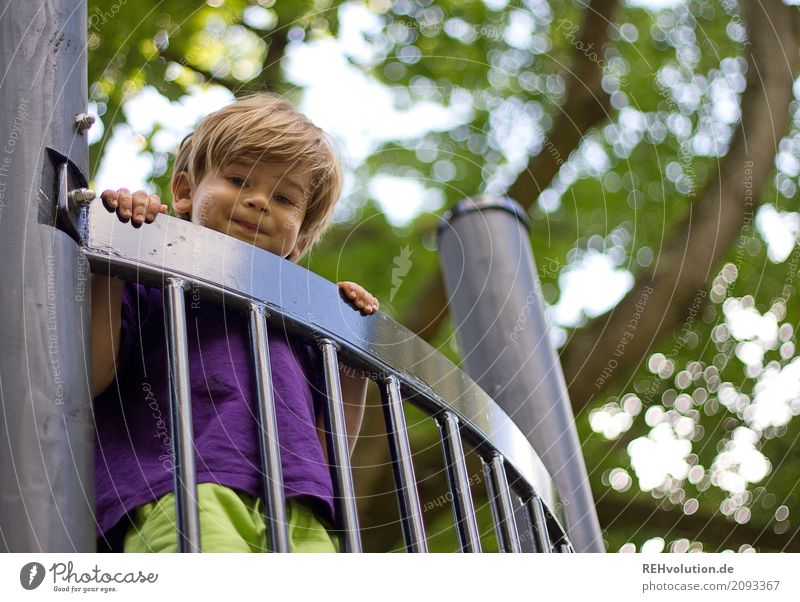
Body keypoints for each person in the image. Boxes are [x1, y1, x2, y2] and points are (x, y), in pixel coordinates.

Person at [91, 93, 379, 553]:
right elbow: (93, 373)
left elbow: (330, 453)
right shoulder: (152, 279)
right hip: (182, 488)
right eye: (239, 179)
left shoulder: (297, 325)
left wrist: (350, 353)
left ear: (300, 238)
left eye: (285, 197)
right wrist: (111, 253)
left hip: (301, 508)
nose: (260, 201)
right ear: (184, 192)